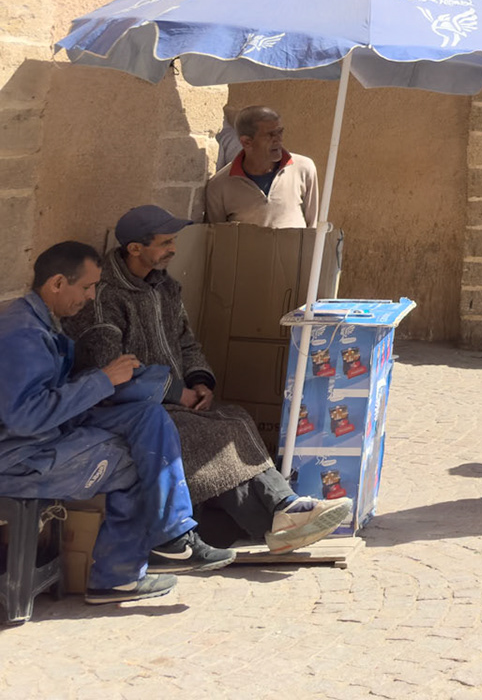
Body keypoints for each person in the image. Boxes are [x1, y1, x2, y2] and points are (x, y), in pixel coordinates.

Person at [66, 206, 352, 551]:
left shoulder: (166, 288)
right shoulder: (105, 296)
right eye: (165, 242)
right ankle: (279, 514)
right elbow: (108, 367)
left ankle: (284, 509)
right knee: (214, 434)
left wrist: (200, 381)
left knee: (235, 416)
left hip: (174, 398)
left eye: (174, 240)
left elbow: (186, 341)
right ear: (135, 249)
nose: (173, 248)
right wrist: (175, 393)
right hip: (134, 408)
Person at [0, 242, 234, 604]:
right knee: (134, 461)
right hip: (19, 458)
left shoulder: (41, 320)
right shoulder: (23, 335)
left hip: (45, 438)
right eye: (87, 287)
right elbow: (25, 418)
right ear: (58, 283)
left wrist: (126, 384)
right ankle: (117, 577)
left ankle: (173, 537)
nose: (92, 298)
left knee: (146, 415)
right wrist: (101, 381)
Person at [201, 104, 320, 228]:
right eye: (270, 135)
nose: (278, 140)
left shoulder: (304, 168)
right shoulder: (220, 185)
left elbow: (312, 227)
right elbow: (215, 237)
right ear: (247, 142)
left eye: (280, 132)